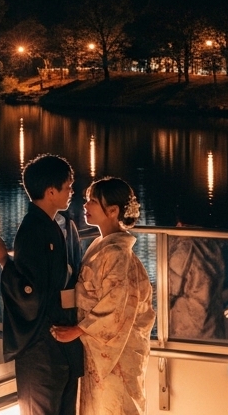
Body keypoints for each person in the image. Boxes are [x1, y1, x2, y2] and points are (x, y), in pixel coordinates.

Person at [0, 154, 84, 415]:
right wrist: (5, 260)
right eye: (68, 187)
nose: (71, 192)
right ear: (51, 192)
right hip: (48, 342)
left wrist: (5, 262)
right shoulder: (35, 229)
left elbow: (27, 290)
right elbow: (30, 290)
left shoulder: (47, 226)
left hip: (50, 341)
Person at [51, 177, 155, 415]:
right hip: (97, 345)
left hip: (115, 350)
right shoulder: (102, 245)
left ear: (113, 211)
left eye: (93, 201)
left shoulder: (117, 253)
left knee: (113, 404)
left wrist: (78, 330)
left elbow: (116, 306)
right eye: (87, 200)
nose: (86, 205)